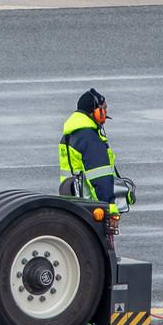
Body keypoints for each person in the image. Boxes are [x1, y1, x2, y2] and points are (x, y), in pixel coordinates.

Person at [58, 88, 123, 240]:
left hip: (75, 203)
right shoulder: (90, 138)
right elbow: (101, 177)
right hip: (93, 209)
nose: (106, 114)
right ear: (94, 110)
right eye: (104, 108)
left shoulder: (71, 134)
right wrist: (111, 209)